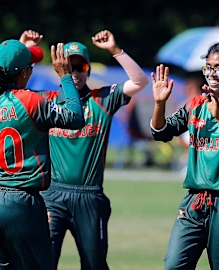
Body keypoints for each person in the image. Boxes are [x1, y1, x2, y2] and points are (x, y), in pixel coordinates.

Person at [35, 30, 149, 269]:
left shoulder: (103, 99)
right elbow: (11, 90)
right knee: (43, 261)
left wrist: (115, 50)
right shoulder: (48, 100)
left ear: (88, 70)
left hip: (89, 196)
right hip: (52, 195)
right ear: (59, 68)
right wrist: (26, 49)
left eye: (80, 68)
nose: (74, 73)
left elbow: (140, 81)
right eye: (69, 67)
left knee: (94, 263)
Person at [0, 40, 85, 270]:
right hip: (20, 202)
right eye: (29, 67)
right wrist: (65, 77)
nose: (31, 71)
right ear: (22, 73)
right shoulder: (31, 101)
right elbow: (75, 117)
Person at [151, 42, 219, 270]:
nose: (212, 73)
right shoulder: (196, 104)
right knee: (174, 265)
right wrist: (160, 104)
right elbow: (161, 133)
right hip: (194, 200)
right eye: (208, 67)